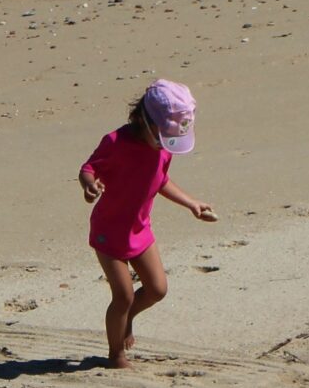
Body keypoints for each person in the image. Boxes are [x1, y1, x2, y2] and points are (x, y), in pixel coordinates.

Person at [79, 79, 215, 368]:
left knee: (157, 289)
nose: (167, 142)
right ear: (144, 120)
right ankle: (116, 354)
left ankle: (127, 318)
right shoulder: (115, 143)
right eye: (163, 135)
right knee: (123, 295)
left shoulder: (164, 148)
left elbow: (160, 180)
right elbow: (88, 168)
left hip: (139, 229)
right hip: (109, 233)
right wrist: (89, 185)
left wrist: (191, 203)